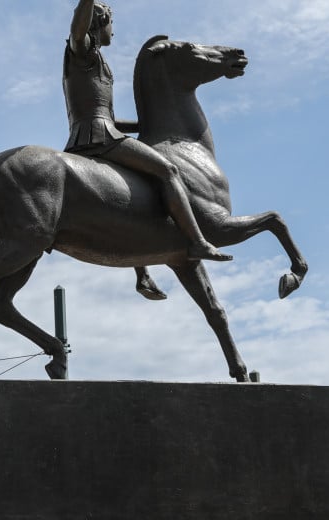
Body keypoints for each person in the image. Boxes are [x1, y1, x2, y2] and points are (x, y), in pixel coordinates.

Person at [63, 0, 231, 299]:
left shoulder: (98, 60)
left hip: (99, 134)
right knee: (167, 170)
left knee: (133, 194)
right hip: (98, 139)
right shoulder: (83, 51)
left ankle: (142, 274)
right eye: (111, 24)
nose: (113, 32)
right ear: (99, 23)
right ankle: (197, 241)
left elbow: (108, 116)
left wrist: (148, 124)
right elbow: (77, 29)